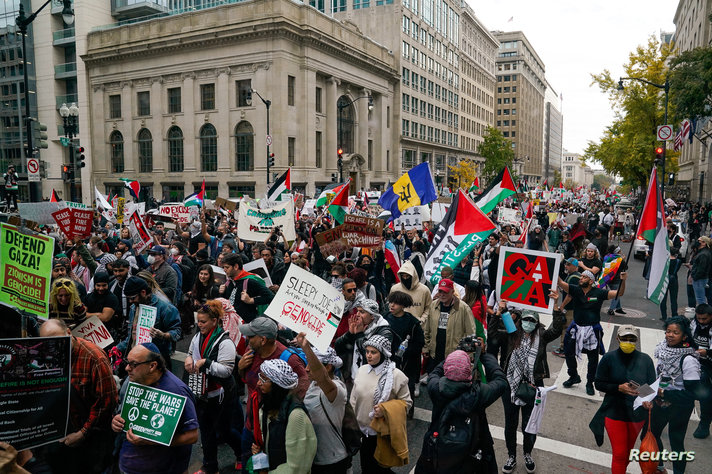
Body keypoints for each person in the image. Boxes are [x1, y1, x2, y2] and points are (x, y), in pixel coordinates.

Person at [39, 319, 118, 474]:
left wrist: (82, 433)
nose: (54, 348)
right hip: (63, 433)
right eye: (48, 344)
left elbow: (106, 403)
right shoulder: (48, 356)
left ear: (68, 333)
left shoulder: (94, 358)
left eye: (57, 341)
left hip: (90, 435)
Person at [111, 343, 199, 474]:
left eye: (133, 364)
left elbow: (192, 436)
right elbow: (122, 415)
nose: (127, 368)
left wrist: (154, 441)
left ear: (152, 366)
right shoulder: (130, 382)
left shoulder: (177, 390)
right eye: (127, 362)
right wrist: (116, 422)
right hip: (129, 466)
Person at [498, 307, 564, 474]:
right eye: (526, 320)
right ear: (520, 321)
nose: (529, 323)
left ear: (536, 323)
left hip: (533, 385)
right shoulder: (512, 333)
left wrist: (557, 311)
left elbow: (556, 329)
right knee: (510, 423)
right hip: (511, 385)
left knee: (529, 424)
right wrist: (502, 310)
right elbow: (493, 331)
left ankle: (527, 454)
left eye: (532, 321)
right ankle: (511, 456)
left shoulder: (541, 336)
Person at [421, 347, 508, 473]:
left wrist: (453, 355)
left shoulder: (436, 388)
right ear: (469, 371)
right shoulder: (479, 394)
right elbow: (501, 380)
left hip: (440, 450)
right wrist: (483, 355)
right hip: (473, 449)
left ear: (447, 369)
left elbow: (435, 372)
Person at [642, 316, 707, 474]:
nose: (670, 335)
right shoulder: (663, 349)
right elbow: (659, 377)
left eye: (675, 332)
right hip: (659, 403)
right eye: (668, 331)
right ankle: (659, 466)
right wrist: (645, 395)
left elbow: (691, 395)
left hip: (679, 408)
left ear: (684, 336)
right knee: (648, 434)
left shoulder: (689, 359)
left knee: (676, 443)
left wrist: (663, 393)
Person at [590, 325, 656, 474]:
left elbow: (650, 387)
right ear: (617, 339)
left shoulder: (645, 360)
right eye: (625, 338)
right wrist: (618, 388)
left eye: (631, 339)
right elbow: (599, 383)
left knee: (627, 452)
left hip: (637, 415)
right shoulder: (609, 358)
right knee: (619, 454)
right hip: (614, 411)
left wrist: (647, 399)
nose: (628, 341)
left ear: (636, 340)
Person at [184, 300, 240, 474]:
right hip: (202, 392)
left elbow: (227, 370)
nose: (199, 325)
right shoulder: (197, 336)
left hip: (221, 394)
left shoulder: (225, 342)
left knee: (224, 431)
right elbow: (191, 352)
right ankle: (210, 466)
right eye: (198, 321)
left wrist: (205, 363)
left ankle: (242, 453)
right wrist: (188, 359)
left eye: (203, 322)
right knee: (206, 431)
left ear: (214, 321)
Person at [558, 269, 628, 395]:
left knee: (593, 358)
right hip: (576, 327)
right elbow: (561, 283)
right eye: (581, 277)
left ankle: (590, 382)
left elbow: (619, 293)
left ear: (591, 281)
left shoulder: (599, 292)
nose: (580, 279)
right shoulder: (575, 289)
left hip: (592, 329)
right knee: (568, 352)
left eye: (584, 277)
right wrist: (554, 265)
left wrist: (623, 280)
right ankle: (573, 376)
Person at [350, 335, 412, 473]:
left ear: (383, 353)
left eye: (373, 352)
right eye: (367, 352)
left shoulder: (396, 376)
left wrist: (385, 410)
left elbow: (407, 403)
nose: (369, 356)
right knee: (366, 466)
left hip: (382, 432)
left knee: (381, 468)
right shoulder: (361, 370)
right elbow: (354, 398)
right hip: (363, 431)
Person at [295, 333, 351, 473]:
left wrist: (307, 347)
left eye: (312, 364)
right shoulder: (313, 385)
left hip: (332, 461)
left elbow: (323, 378)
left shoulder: (337, 390)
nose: (307, 368)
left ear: (328, 367)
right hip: (313, 458)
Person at [250, 359, 317, 472]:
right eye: (259, 377)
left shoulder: (296, 416)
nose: (258, 383)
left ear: (277, 385)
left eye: (264, 379)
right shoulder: (268, 406)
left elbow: (296, 467)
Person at [115, 276, 181, 372]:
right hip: (136, 361)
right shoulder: (134, 308)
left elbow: (177, 332)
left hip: (157, 361)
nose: (130, 301)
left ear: (143, 292)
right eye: (129, 299)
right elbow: (132, 336)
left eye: (133, 298)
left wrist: (163, 335)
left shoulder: (165, 307)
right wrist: (118, 348)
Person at [335, 299, 394, 389]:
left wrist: (359, 334)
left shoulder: (384, 332)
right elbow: (338, 347)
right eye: (357, 311)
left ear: (372, 316)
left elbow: (371, 357)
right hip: (353, 376)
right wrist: (349, 334)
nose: (357, 314)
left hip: (372, 380)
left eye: (362, 312)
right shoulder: (360, 326)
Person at [384, 291, 425, 415]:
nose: (392, 305)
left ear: (403, 305)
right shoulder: (384, 318)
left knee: (408, 385)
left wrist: (405, 351)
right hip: (389, 359)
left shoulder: (413, 323)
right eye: (391, 302)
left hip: (409, 362)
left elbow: (420, 343)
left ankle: (408, 411)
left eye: (396, 303)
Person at [424, 279, 476, 371]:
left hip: (454, 355)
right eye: (440, 291)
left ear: (452, 292)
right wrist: (426, 348)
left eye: (445, 292)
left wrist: (469, 353)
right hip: (435, 353)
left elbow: (470, 332)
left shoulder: (463, 308)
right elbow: (427, 329)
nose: (442, 294)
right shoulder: (433, 306)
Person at [220, 253, 274, 323]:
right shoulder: (229, 282)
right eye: (223, 267)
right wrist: (222, 293)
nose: (224, 270)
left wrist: (251, 300)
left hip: (247, 325)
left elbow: (271, 297)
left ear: (236, 266)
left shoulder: (250, 281)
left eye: (227, 267)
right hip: (232, 324)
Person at [691, 304, 712, 439]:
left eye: (704, 319)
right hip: (697, 362)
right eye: (699, 318)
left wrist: (707, 352)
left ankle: (704, 423)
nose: (701, 321)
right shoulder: (694, 323)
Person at [83, 271, 122, 343]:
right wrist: (98, 315)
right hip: (90, 334)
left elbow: (105, 318)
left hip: (107, 334)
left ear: (108, 284)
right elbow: (81, 313)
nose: (101, 288)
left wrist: (87, 315)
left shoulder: (111, 298)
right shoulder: (88, 297)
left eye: (104, 285)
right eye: (98, 285)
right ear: (94, 285)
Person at [660, 247, 683, 321]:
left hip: (665, 279)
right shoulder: (678, 261)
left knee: (663, 298)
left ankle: (664, 316)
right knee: (673, 298)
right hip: (674, 279)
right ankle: (674, 315)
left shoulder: (666, 261)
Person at [690, 236, 712, 304]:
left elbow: (702, 268)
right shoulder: (703, 252)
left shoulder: (703, 254)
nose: (697, 242)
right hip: (701, 278)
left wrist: (695, 276)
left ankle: (703, 313)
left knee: (700, 298)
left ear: (704, 243)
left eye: (699, 241)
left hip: (700, 279)